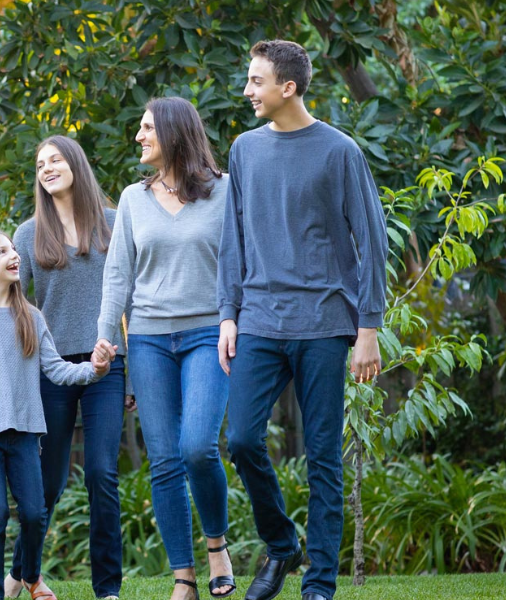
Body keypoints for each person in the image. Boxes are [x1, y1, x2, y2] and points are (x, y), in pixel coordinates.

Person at [217, 40, 388, 600]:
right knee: (241, 438)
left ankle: (319, 583)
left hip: (323, 323)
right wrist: (228, 316)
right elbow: (232, 243)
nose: (248, 91)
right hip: (261, 319)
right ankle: (283, 545)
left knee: (322, 455)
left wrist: (368, 329)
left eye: (256, 81)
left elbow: (372, 241)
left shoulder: (340, 152)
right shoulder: (244, 150)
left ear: (287, 87)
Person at [97, 97, 236, 600]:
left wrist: (233, 320)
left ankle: (217, 545)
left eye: (147, 128)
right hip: (150, 339)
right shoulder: (134, 199)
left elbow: (239, 266)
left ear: (175, 133)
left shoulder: (222, 193)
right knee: (163, 460)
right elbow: (118, 276)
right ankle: (184, 577)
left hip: (207, 333)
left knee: (197, 446)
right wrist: (106, 336)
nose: (139, 136)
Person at [0, 228, 115, 600]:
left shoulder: (31, 318)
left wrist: (94, 370)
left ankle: (30, 576)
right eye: (2, 251)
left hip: (24, 435)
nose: (13, 254)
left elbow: (55, 369)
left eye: (12, 248)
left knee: (35, 513)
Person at [7, 135, 127, 600]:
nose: (47, 168)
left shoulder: (115, 224)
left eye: (55, 159)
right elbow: (14, 311)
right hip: (52, 371)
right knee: (47, 485)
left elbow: (130, 304)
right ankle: (22, 577)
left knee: (101, 473)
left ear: (76, 163)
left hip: (106, 367)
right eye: (40, 164)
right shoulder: (27, 233)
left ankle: (108, 590)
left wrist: (129, 373)